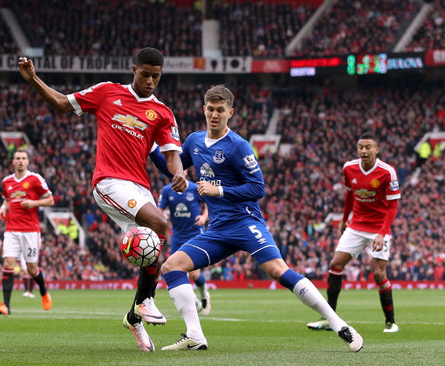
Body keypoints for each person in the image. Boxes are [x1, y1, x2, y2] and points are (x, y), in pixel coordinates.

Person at [151, 85, 363, 352]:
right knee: (171, 267)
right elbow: (170, 166)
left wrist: (220, 190)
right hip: (217, 229)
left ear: (231, 112)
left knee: (277, 270)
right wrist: (149, 145)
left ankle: (338, 323)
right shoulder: (193, 141)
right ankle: (195, 336)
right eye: (211, 109)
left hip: (245, 222)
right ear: (204, 110)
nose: (215, 115)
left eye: (221, 110)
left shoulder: (238, 146)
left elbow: (258, 188)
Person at [18, 47, 187, 352]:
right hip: (108, 182)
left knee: (154, 252)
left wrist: (178, 173)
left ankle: (134, 315)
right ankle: (147, 299)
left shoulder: (162, 113)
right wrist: (33, 80)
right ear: (133, 69)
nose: (150, 81)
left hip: (139, 188)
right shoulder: (107, 92)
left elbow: (172, 155)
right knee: (159, 223)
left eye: (156, 76)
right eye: (145, 74)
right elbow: (61, 103)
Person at [307, 132, 401, 333]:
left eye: (368, 147)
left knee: (378, 273)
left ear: (377, 149)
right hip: (356, 225)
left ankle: (390, 322)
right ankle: (329, 319)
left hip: (379, 227)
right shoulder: (349, 168)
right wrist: (344, 219)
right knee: (335, 264)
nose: (364, 151)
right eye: (360, 147)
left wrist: (382, 233)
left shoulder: (387, 172)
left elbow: (393, 206)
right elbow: (350, 194)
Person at [0, 148, 54, 315]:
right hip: (11, 229)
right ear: (13, 162)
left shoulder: (35, 179)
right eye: (17, 158)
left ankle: (43, 291)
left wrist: (33, 203)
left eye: (23, 158)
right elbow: (7, 198)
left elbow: (50, 199)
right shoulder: (6, 181)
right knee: (8, 264)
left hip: (30, 230)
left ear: (28, 161)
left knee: (32, 268)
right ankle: (6, 306)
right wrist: (3, 207)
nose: (20, 161)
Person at [157, 177, 211, 315]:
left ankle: (204, 295)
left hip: (194, 233)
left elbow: (209, 203)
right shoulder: (167, 190)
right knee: (176, 271)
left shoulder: (194, 188)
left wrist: (204, 217)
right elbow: (159, 210)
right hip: (177, 236)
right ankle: (196, 302)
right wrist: (162, 217)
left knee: (193, 273)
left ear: (185, 170)